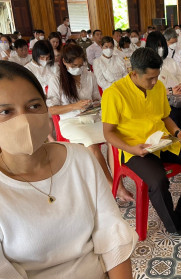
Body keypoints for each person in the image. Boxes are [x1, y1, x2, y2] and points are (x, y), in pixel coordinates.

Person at [0, 60, 138, 279]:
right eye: (5, 112)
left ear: (45, 109)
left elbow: (112, 236)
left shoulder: (80, 160)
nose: (24, 120)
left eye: (34, 106)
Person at [101, 47, 181, 240]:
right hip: (134, 148)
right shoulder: (114, 93)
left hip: (162, 141)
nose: (155, 82)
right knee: (157, 181)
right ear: (133, 73)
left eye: (157, 77)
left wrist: (178, 132)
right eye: (150, 78)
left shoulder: (158, 88)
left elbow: (165, 117)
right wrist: (132, 149)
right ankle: (174, 225)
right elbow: (108, 134)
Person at [47, 44, 125, 200]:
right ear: (64, 62)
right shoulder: (56, 79)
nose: (77, 68)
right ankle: (111, 185)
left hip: (91, 117)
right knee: (91, 143)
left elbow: (98, 98)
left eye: (80, 65)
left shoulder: (89, 75)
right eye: (73, 65)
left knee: (113, 137)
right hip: (70, 122)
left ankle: (119, 183)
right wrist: (74, 106)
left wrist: (94, 103)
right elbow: (52, 109)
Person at [146, 31, 181, 129]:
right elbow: (147, 90)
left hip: (180, 99)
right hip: (162, 102)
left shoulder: (170, 61)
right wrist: (170, 91)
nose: (161, 49)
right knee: (172, 117)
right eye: (158, 46)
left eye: (163, 45)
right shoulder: (146, 65)